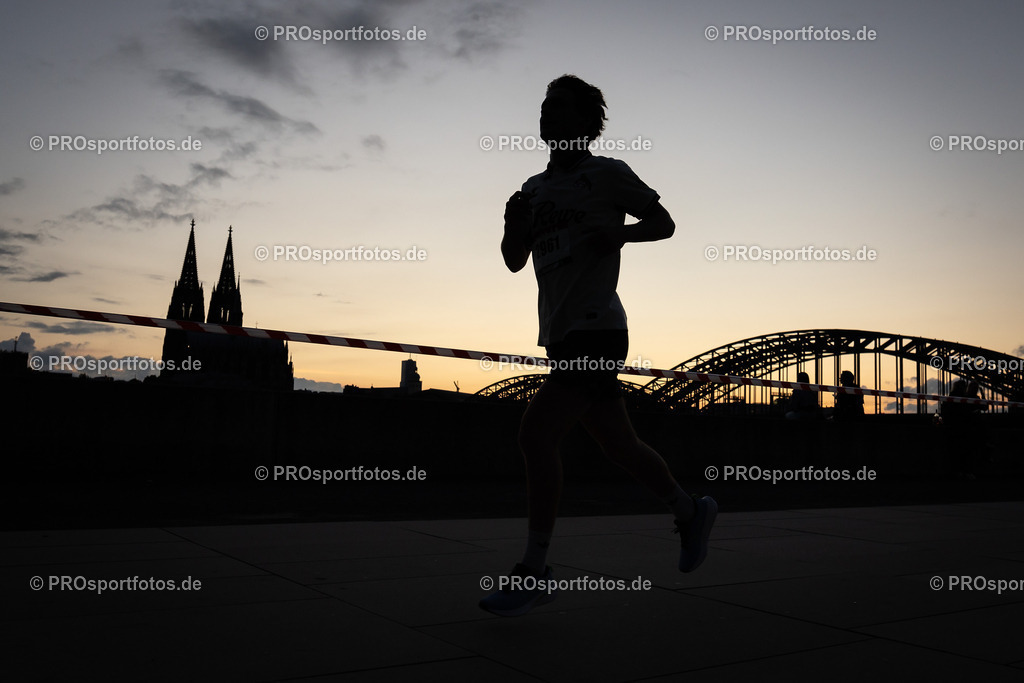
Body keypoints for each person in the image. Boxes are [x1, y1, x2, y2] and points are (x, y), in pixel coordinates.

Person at [480, 74, 716, 617]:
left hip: (599, 328)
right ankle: (690, 510)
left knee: (535, 434)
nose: (546, 116)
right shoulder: (532, 190)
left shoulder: (606, 174)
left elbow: (664, 222)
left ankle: (534, 569)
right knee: (618, 446)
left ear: (587, 123)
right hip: (559, 333)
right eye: (542, 108)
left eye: (558, 108)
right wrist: (511, 224)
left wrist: (622, 234)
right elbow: (515, 259)